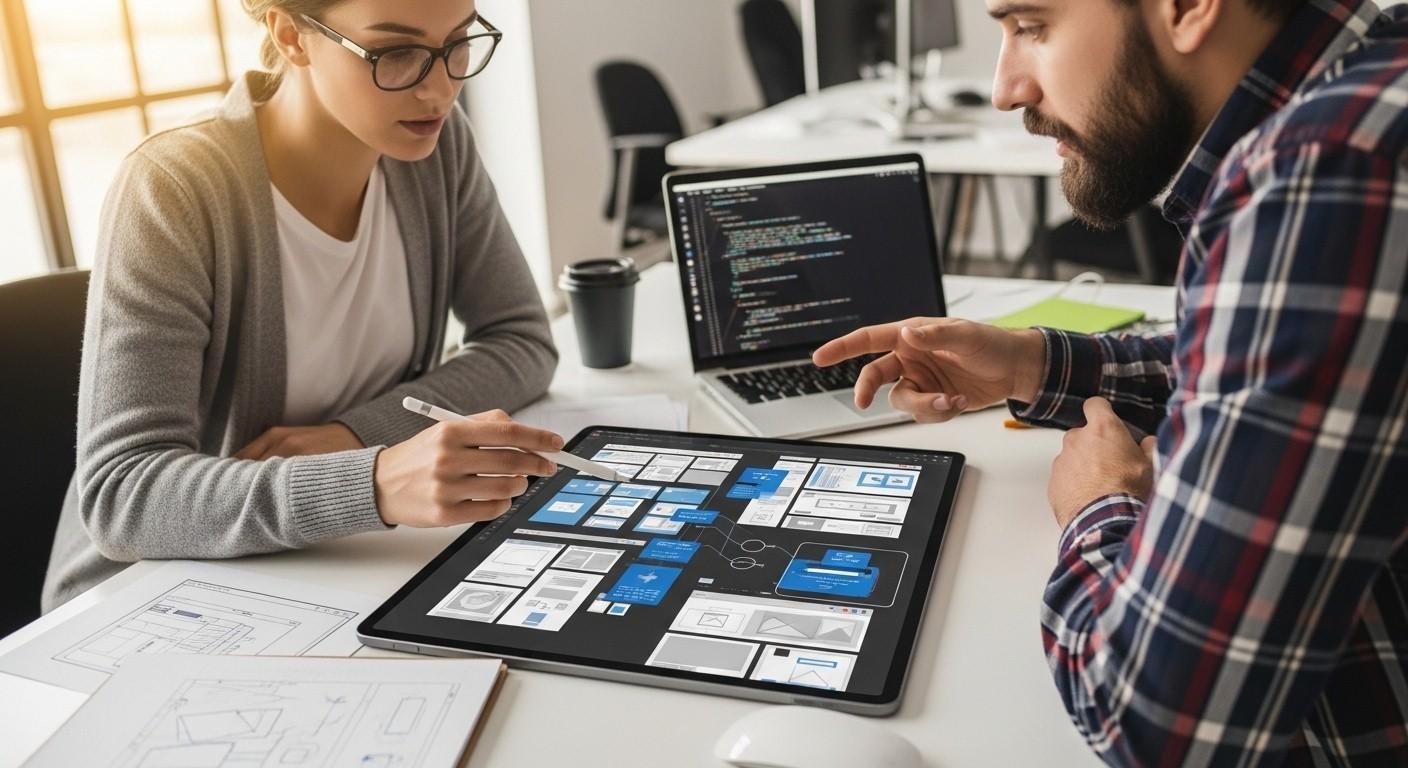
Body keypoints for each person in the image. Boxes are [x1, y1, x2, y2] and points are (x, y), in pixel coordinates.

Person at [815, 0, 1408, 763]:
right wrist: (1031, 363)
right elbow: (1279, 366)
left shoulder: (1330, 175)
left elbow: (1158, 721)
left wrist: (1098, 502)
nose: (1004, 89)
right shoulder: (1376, 88)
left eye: (1031, 26)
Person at [42, 0, 562, 610]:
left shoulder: (435, 152)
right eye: (396, 53)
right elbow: (123, 494)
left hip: (334, 568)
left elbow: (522, 339)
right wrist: (374, 481)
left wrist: (355, 435)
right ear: (291, 35)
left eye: (457, 44)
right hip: (154, 598)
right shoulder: (175, 188)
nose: (439, 89)